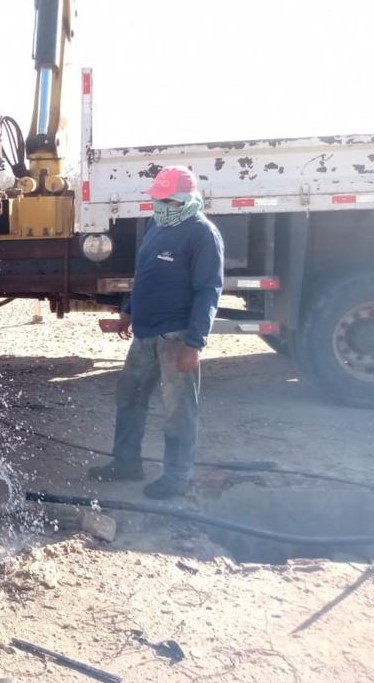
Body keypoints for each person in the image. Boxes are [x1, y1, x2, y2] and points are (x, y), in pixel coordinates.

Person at [88, 166, 224, 499]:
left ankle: (178, 477)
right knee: (130, 398)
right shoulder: (156, 225)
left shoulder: (202, 234)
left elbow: (209, 290)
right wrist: (128, 312)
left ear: (187, 200)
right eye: (158, 199)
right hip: (145, 335)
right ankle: (126, 463)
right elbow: (144, 273)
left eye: (168, 200)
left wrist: (195, 342)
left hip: (176, 338)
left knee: (178, 410)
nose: (160, 205)